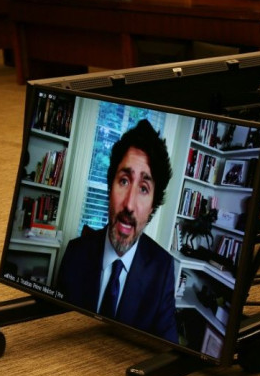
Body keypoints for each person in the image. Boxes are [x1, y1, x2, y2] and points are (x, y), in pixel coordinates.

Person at [57, 119, 178, 343]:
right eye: (124, 181)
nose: (129, 205)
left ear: (153, 205)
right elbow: (53, 326)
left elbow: (169, 350)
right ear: (109, 186)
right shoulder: (75, 252)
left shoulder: (163, 270)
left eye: (144, 188)